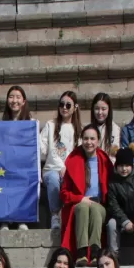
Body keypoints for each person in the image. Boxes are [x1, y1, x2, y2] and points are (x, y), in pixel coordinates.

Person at [59, 123, 111, 265]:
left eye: (92, 139)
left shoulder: (105, 160)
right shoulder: (73, 160)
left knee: (94, 208)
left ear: (98, 141)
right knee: (82, 208)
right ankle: (81, 253)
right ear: (81, 140)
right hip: (79, 203)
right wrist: (80, 198)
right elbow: (63, 193)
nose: (89, 142)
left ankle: (95, 253)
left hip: (99, 203)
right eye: (86, 138)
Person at [39, 91, 81, 232]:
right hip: (51, 169)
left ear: (75, 107)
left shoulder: (79, 129)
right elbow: (43, 148)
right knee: (53, 178)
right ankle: (55, 214)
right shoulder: (51, 125)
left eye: (68, 105)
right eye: (61, 104)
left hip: (71, 171)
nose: (64, 107)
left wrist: (67, 169)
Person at [105, 145, 134, 254]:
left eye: (127, 165)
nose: (124, 169)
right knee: (111, 224)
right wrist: (125, 221)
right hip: (121, 218)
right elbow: (113, 206)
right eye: (121, 165)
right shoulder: (113, 184)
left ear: (131, 165)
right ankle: (114, 254)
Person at [0, 85, 35, 231]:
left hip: (24, 165)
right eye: (11, 97)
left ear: (24, 101)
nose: (14, 100)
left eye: (18, 97)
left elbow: (34, 148)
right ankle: (5, 220)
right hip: (6, 164)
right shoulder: (1, 124)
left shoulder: (31, 123)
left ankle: (22, 219)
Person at [90, 92, 120, 156]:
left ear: (109, 110)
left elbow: (114, 155)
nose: (100, 112)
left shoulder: (115, 129)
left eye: (103, 109)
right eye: (97, 108)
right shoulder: (88, 129)